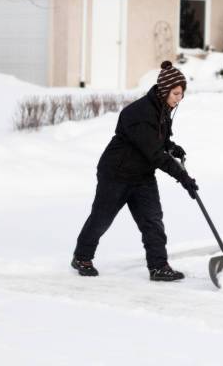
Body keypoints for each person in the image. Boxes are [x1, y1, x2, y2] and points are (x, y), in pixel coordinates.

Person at [71, 61, 198, 281]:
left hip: (142, 175)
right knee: (102, 218)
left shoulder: (162, 109)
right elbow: (154, 153)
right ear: (164, 90)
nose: (180, 98)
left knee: (152, 221)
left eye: (182, 93)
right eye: (176, 93)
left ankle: (158, 267)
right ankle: (82, 257)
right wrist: (182, 177)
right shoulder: (139, 114)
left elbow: (158, 141)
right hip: (116, 174)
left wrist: (171, 146)